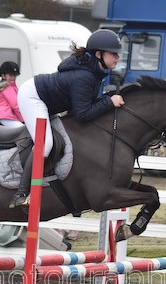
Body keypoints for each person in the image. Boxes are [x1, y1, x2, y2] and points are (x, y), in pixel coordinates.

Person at [12, 29, 124, 208]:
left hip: (46, 100)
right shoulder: (85, 76)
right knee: (45, 143)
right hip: (33, 97)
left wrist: (107, 100)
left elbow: (88, 104)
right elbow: (83, 114)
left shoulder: (95, 72)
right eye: (113, 53)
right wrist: (109, 102)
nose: (117, 57)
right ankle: (21, 194)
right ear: (98, 54)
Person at [0, 61, 24, 127]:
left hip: (2, 115)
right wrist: (23, 119)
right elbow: (15, 106)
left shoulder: (9, 87)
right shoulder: (7, 88)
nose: (13, 78)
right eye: (10, 75)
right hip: (6, 117)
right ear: (3, 76)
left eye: (14, 75)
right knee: (23, 130)